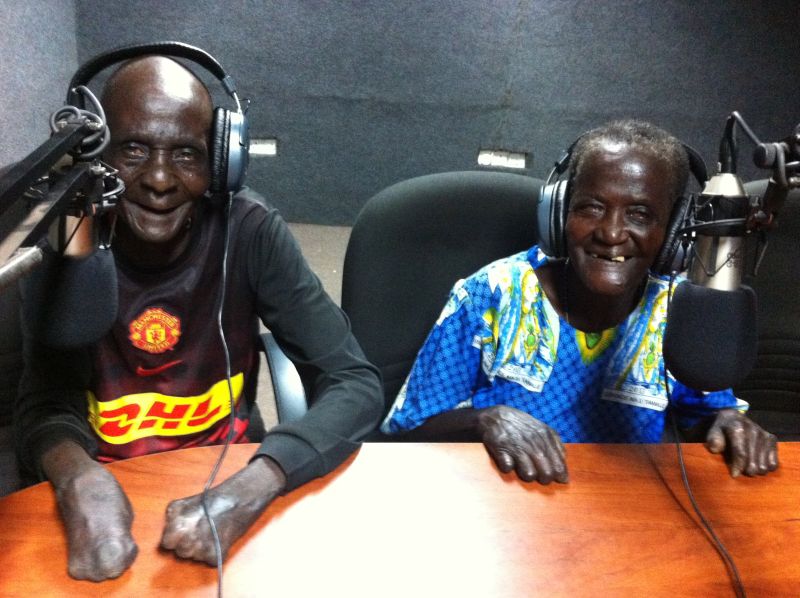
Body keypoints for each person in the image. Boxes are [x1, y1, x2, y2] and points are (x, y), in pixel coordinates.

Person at [14, 54, 383, 581]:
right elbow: (44, 401)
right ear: (95, 155)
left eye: (186, 154)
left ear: (220, 162)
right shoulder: (72, 233)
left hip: (226, 476)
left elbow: (355, 381)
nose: (160, 180)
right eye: (134, 149)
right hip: (105, 490)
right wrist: (77, 477)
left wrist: (254, 485)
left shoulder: (250, 231)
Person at [381, 119, 779, 485]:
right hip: (498, 512)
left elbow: (702, 414)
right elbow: (408, 431)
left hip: (623, 511)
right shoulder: (490, 295)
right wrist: (483, 421)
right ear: (558, 212)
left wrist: (727, 423)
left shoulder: (678, 307)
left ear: (675, 231)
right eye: (591, 207)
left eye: (640, 214)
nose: (610, 233)